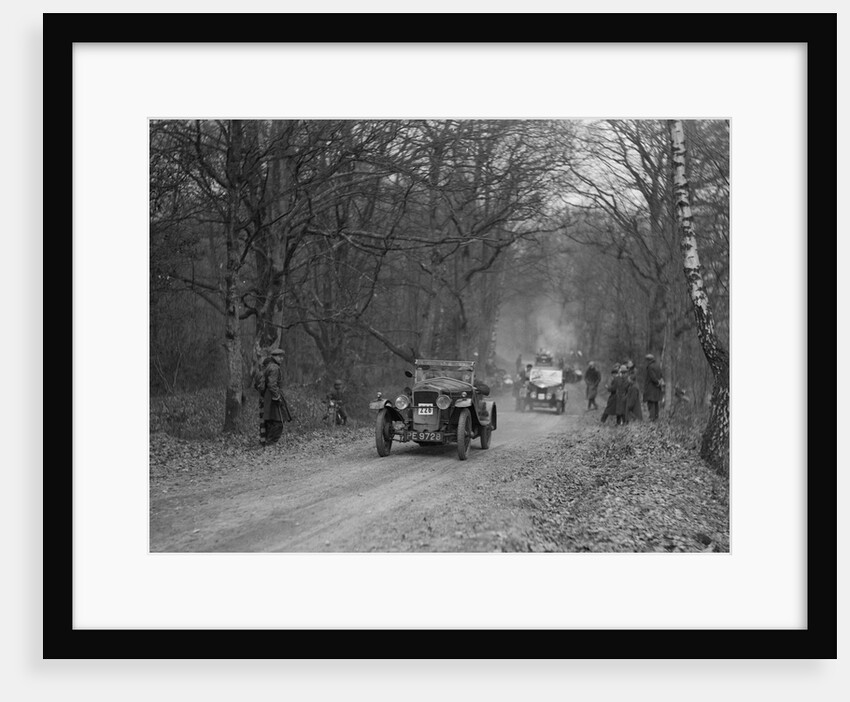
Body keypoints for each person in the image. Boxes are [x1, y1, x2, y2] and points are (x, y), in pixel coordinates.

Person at [261, 348, 292, 444]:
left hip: (268, 395)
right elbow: (272, 384)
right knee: (279, 420)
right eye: (279, 356)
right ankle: (271, 442)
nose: (281, 359)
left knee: (271, 419)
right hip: (272, 395)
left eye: (282, 356)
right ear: (273, 357)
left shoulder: (269, 366)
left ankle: (267, 441)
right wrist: (277, 397)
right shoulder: (274, 368)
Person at [643, 353, 664, 421]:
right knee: (655, 403)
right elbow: (661, 375)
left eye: (646, 360)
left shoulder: (650, 367)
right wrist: (659, 383)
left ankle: (652, 419)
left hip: (651, 388)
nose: (646, 361)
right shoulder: (657, 366)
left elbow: (653, 377)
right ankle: (656, 417)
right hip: (657, 389)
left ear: (649, 360)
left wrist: (657, 382)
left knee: (651, 403)